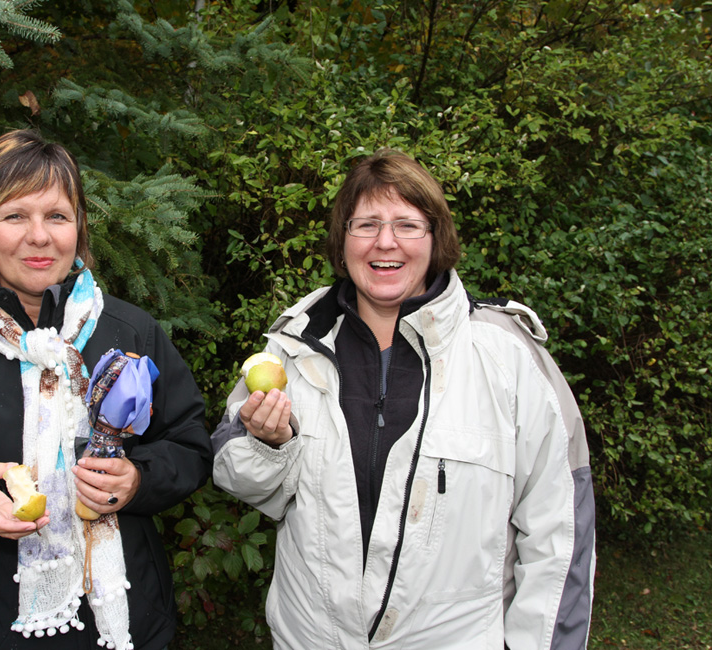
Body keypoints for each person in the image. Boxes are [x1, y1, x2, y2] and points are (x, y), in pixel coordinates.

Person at [212, 149, 595, 649]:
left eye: (407, 225)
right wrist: (269, 445)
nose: (385, 242)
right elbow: (240, 479)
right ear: (343, 239)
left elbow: (558, 530)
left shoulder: (508, 357)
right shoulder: (294, 345)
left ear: (436, 237)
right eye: (366, 224)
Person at [0, 129, 211, 650]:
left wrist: (140, 479)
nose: (40, 236)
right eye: (15, 216)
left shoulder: (131, 334)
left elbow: (190, 444)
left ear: (79, 227)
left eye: (57, 216)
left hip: (132, 625)